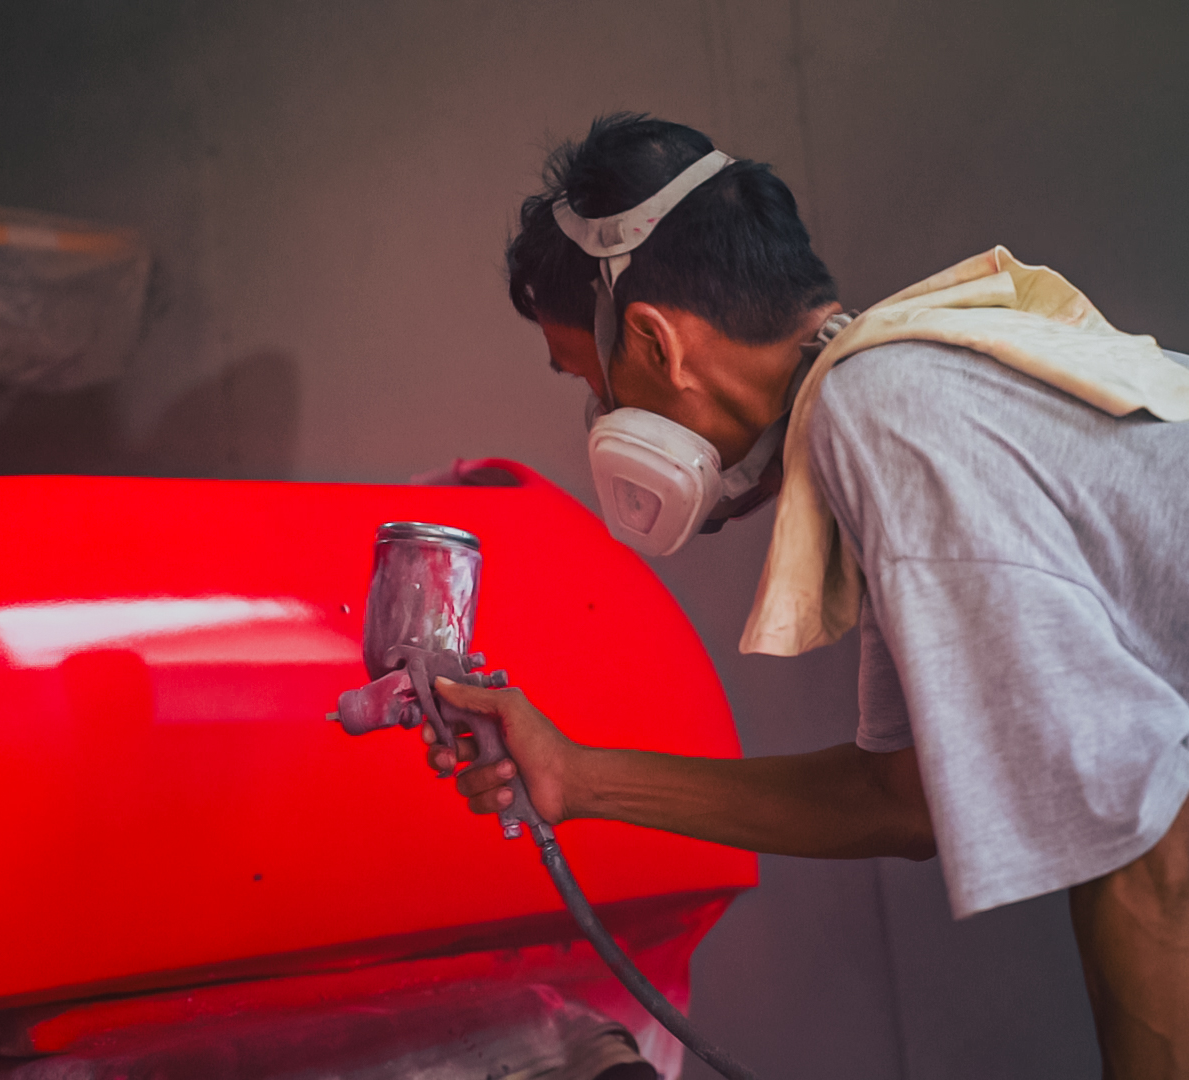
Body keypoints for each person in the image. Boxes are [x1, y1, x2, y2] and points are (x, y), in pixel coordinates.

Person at [425, 113, 1189, 1078]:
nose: (603, 421)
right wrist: (577, 778)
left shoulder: (885, 413)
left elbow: (1148, 856)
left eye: (593, 380)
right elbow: (902, 801)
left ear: (656, 342)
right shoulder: (905, 389)